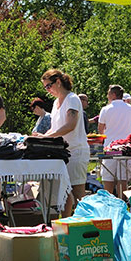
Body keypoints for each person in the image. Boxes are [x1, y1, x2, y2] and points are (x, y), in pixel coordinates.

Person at [36, 69, 90, 216]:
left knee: (78, 193)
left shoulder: (72, 99)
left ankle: (85, 226)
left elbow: (70, 125)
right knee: (65, 194)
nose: (47, 90)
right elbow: (55, 128)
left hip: (76, 151)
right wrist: (40, 137)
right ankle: (66, 225)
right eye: (45, 87)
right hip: (62, 153)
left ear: (58, 82)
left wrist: (47, 137)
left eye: (48, 86)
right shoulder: (55, 103)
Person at [98, 85, 131, 198]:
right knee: (123, 180)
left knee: (107, 178)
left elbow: (100, 130)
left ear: (113, 95)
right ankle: (123, 203)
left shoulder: (105, 109)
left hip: (109, 149)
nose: (107, 96)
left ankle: (109, 204)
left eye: (108, 93)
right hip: (126, 149)